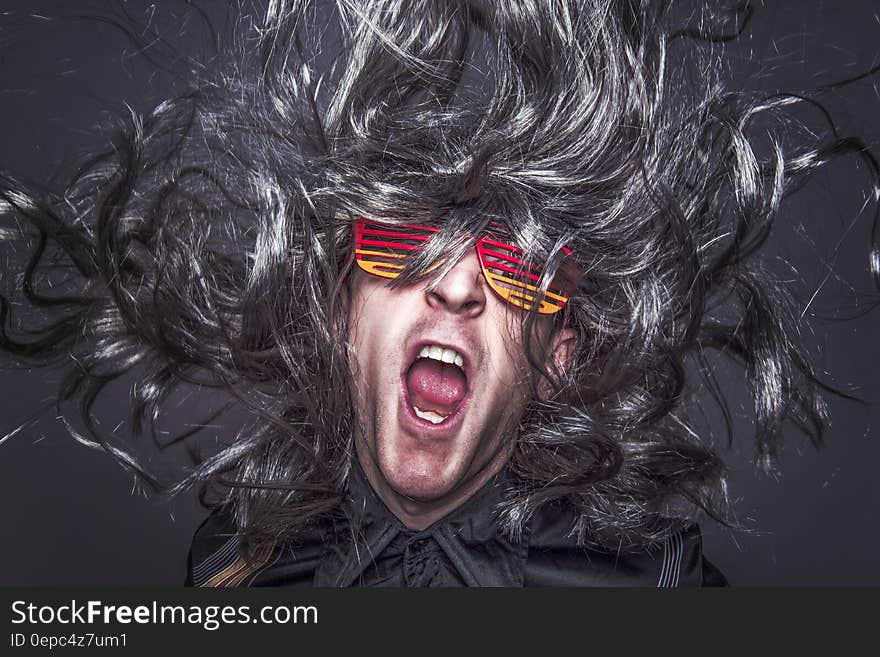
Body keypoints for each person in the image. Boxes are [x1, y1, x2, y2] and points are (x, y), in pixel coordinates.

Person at [1, 0, 877, 587]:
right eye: (402, 240)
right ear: (340, 310)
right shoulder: (232, 566)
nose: (457, 283)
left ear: (558, 356)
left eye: (518, 267)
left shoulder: (658, 587)